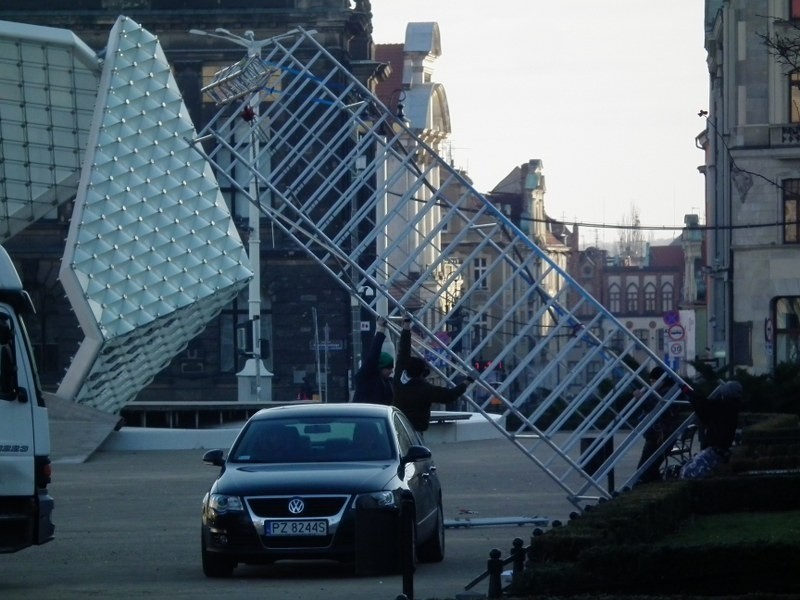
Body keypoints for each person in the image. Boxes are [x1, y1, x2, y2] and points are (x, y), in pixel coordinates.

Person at [393, 315, 473, 434]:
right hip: (415, 429)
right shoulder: (425, 389)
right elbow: (449, 396)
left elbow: (404, 350)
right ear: (421, 373)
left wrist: (406, 326)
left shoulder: (399, 375)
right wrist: (467, 382)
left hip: (397, 425)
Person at [680, 381, 742, 479]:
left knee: (688, 472)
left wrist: (689, 392)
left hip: (714, 449)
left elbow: (703, 406)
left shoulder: (723, 406)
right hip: (720, 449)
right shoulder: (732, 407)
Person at [635, 366, 682, 483]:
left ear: (662, 380)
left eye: (654, 381)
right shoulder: (664, 391)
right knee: (650, 468)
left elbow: (658, 408)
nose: (652, 384)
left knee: (644, 469)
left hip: (660, 437)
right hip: (657, 436)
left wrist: (641, 399)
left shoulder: (668, 392)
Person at [352, 317, 394, 405]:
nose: (391, 371)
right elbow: (373, 356)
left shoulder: (389, 383)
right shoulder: (366, 378)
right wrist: (380, 331)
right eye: (389, 368)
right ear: (380, 367)